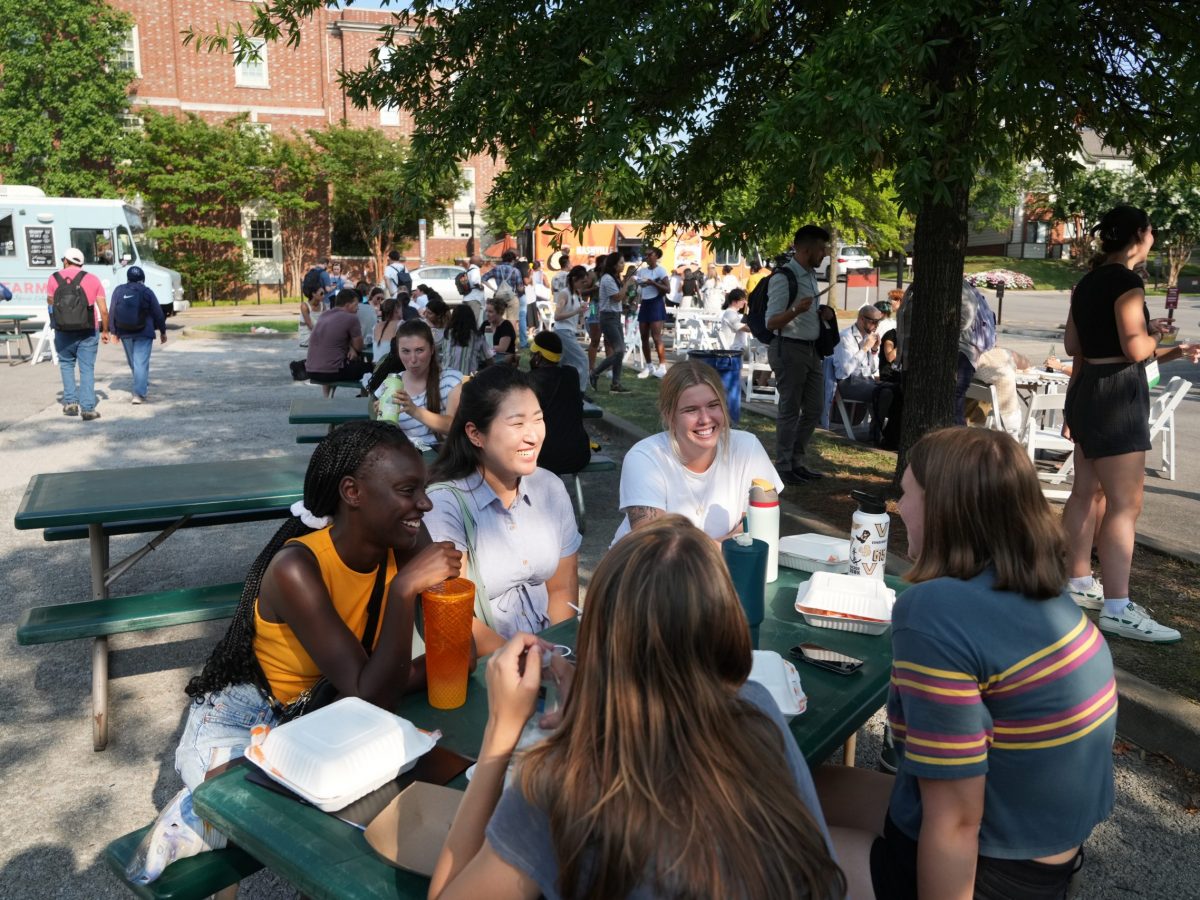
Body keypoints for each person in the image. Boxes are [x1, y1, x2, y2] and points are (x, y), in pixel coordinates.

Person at [428, 517, 844, 900]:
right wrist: (590, 703)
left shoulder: (561, 782)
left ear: (597, 636)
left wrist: (500, 731)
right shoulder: (757, 708)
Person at [128, 422, 463, 884]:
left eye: (423, 489)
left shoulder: (405, 540)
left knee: (368, 800)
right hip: (239, 723)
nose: (424, 504)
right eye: (408, 490)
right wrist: (404, 592)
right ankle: (198, 809)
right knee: (305, 823)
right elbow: (374, 695)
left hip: (321, 717)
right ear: (352, 491)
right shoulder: (296, 568)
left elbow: (441, 656)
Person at [816, 427, 1116, 900]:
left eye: (906, 493)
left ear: (942, 509)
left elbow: (955, 820)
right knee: (792, 784)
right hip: (1042, 849)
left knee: (757, 841)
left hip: (993, 871)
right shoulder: (1039, 584)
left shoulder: (934, 612)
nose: (899, 507)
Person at [1061, 205, 1200, 643]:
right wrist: (1156, 334)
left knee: (1086, 492)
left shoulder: (1087, 282)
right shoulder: (1127, 281)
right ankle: (1118, 606)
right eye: (1151, 230)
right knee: (1126, 503)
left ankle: (1077, 582)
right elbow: (1135, 348)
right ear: (1140, 235)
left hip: (1088, 391)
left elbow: (1073, 345)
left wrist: (1157, 341)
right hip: (1117, 396)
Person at [424, 366, 581, 655]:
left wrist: (556, 654)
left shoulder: (549, 487)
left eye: (538, 419)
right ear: (475, 434)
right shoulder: (444, 505)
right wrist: (528, 665)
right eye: (517, 424)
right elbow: (458, 619)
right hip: (483, 671)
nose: (533, 436)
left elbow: (562, 589)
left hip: (548, 658)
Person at [613, 360, 781, 543]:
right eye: (691, 410)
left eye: (713, 405)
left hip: (723, 568)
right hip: (647, 570)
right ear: (670, 416)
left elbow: (757, 524)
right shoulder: (644, 458)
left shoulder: (748, 448)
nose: (705, 419)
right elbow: (654, 545)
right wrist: (724, 549)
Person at [766, 225, 831, 484]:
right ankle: (783, 465)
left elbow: (805, 313)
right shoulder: (784, 277)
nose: (824, 254)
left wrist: (820, 314)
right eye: (821, 248)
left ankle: (796, 460)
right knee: (790, 409)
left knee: (815, 409)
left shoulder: (810, 275)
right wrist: (795, 310)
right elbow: (771, 322)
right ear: (806, 249)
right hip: (789, 348)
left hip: (811, 350)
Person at [371, 320, 464, 446]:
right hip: (404, 456)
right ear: (398, 352)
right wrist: (383, 419)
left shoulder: (451, 381)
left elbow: (455, 427)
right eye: (406, 351)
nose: (413, 359)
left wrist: (414, 410)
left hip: (440, 460)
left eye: (419, 350)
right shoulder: (391, 383)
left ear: (432, 350)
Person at [47, 247, 110, 421]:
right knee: (86, 369)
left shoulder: (54, 279)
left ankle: (70, 403)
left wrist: (56, 324)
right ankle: (88, 409)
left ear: (66, 261)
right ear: (81, 263)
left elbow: (51, 305)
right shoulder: (92, 279)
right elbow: (104, 311)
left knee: (67, 365)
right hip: (88, 331)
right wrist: (105, 330)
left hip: (63, 331)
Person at [527, 331, 591, 474]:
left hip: (544, 458)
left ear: (538, 356)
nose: (530, 358)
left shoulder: (529, 381)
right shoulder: (572, 374)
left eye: (532, 354)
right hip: (578, 456)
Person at [832, 304, 896, 444]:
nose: (876, 325)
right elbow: (846, 370)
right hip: (848, 382)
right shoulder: (845, 337)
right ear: (861, 319)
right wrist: (865, 348)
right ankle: (875, 434)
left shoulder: (868, 336)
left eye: (879, 321)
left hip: (866, 380)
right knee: (884, 392)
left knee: (895, 389)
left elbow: (872, 369)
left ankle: (888, 433)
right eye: (873, 321)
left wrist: (873, 350)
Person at [109, 265, 167, 404]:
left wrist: (113, 331)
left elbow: (112, 311)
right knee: (140, 362)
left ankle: (141, 385)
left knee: (134, 362)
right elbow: (158, 313)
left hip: (125, 332)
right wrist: (163, 331)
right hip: (144, 332)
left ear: (128, 278)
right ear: (143, 278)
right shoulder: (147, 291)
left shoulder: (119, 290)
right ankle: (139, 393)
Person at [305, 288, 371, 385]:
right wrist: (353, 347)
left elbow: (334, 338)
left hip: (311, 370)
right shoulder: (352, 318)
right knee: (373, 368)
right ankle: (368, 398)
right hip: (332, 371)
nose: (358, 308)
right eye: (356, 305)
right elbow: (359, 346)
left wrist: (350, 347)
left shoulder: (324, 315)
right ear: (347, 305)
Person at [588, 253, 631, 393]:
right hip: (608, 317)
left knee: (620, 351)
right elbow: (617, 297)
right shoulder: (607, 279)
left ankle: (615, 384)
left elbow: (621, 298)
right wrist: (627, 284)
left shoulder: (614, 278)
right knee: (619, 350)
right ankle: (595, 373)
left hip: (616, 316)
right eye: (621, 263)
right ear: (613, 265)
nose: (623, 265)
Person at [553, 264, 591, 394]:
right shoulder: (564, 293)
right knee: (582, 360)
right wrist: (576, 311)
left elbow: (575, 313)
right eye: (582, 281)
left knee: (563, 364)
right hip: (563, 332)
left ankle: (560, 389)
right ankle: (581, 392)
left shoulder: (577, 293)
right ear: (574, 279)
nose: (584, 284)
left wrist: (581, 312)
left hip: (568, 331)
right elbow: (557, 316)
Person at [635, 246, 670, 378]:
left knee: (656, 337)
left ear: (656, 256)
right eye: (646, 255)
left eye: (650, 255)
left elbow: (668, 289)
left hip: (656, 303)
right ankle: (649, 366)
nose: (647, 257)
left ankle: (662, 366)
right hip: (645, 302)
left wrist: (653, 283)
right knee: (643, 336)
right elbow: (639, 287)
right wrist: (639, 284)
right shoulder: (642, 271)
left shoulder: (661, 270)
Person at [442, 303, 492, 375]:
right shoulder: (477, 337)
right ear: (471, 318)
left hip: (447, 377)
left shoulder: (447, 334)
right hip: (467, 379)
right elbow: (489, 360)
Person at [487, 295, 518, 364]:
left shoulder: (506, 326)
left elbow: (502, 348)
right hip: (489, 358)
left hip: (503, 361)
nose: (487, 314)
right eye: (486, 311)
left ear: (500, 312)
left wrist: (483, 347)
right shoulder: (485, 324)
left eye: (490, 312)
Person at [719, 288, 751, 352]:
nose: (745, 302)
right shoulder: (731, 314)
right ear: (734, 301)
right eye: (742, 300)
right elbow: (748, 329)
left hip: (736, 348)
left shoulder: (731, 313)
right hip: (734, 350)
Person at [298, 284, 325, 348]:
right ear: (313, 294)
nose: (323, 296)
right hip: (307, 335)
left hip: (318, 333)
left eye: (324, 293)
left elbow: (325, 323)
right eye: (321, 293)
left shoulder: (323, 305)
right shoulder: (304, 306)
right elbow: (310, 325)